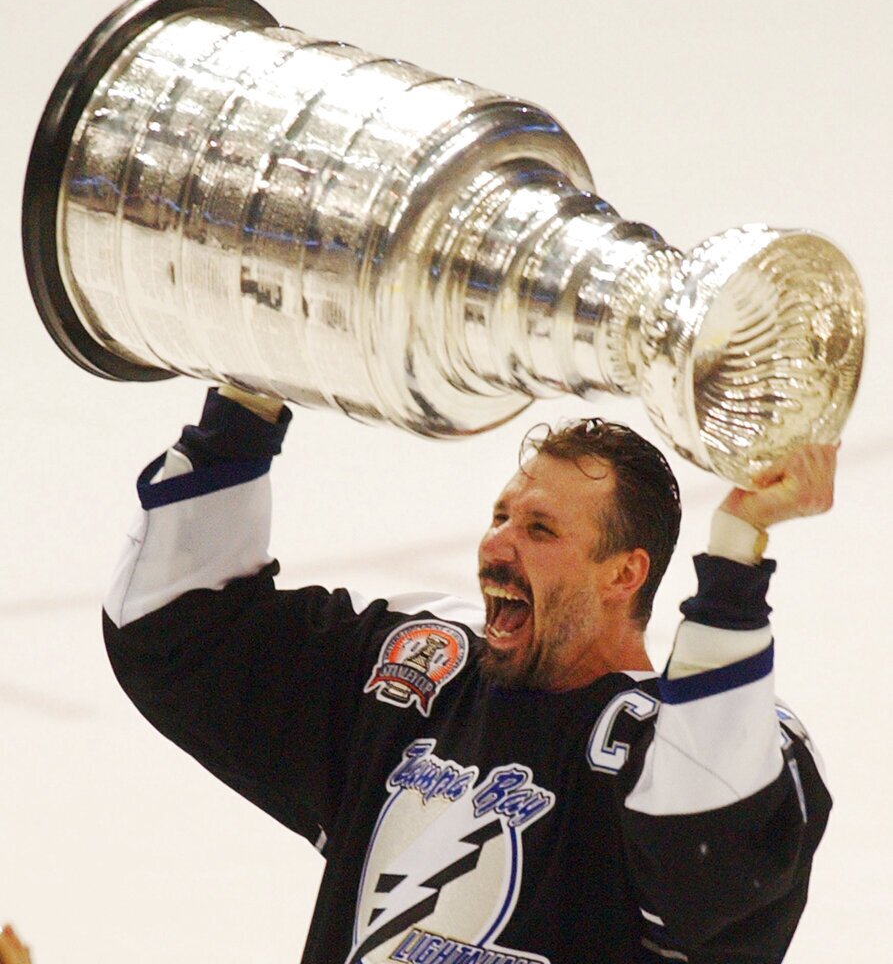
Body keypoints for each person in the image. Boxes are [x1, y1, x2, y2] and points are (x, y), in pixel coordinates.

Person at [103, 385, 835, 963]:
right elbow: (173, 628)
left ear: (623, 574)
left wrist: (736, 554)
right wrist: (246, 401)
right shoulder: (417, 679)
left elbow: (712, 861)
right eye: (500, 516)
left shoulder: (688, 749)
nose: (495, 546)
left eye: (539, 529)